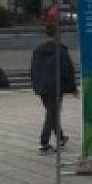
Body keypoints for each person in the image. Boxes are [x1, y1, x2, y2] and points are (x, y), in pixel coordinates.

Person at [29, 23, 77, 152]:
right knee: (52, 113)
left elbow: (33, 70)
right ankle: (44, 142)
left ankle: (61, 137)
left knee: (52, 112)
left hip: (42, 87)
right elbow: (67, 70)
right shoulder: (61, 50)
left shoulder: (38, 50)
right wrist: (73, 88)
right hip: (55, 87)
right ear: (58, 34)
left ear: (46, 34)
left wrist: (36, 85)